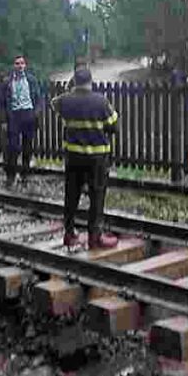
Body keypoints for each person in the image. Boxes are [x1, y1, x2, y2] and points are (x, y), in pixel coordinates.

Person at [50, 68, 119, 250]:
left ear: (74, 82)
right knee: (97, 196)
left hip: (73, 156)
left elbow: (54, 104)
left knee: (71, 195)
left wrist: (69, 90)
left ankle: (69, 233)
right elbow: (113, 126)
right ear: (90, 82)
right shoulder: (101, 101)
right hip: (96, 158)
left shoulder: (65, 100)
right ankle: (94, 237)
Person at [1, 54, 44, 186]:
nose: (20, 66)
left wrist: (35, 113)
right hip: (14, 115)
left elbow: (39, 98)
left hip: (28, 114)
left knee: (27, 146)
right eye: (17, 63)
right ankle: (11, 175)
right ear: (13, 66)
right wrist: (4, 120)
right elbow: (3, 103)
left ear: (25, 65)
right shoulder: (8, 82)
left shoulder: (31, 80)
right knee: (13, 147)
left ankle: (25, 174)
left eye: (22, 63)